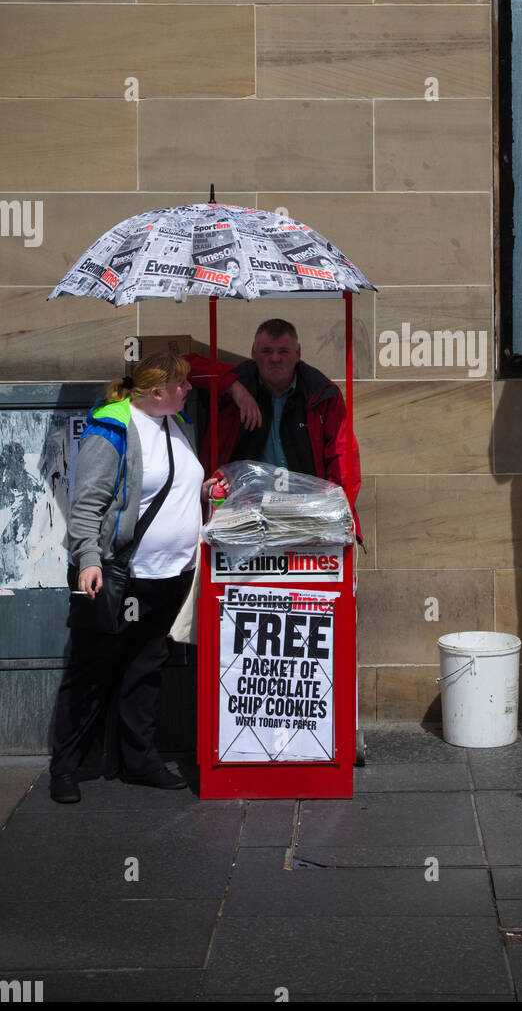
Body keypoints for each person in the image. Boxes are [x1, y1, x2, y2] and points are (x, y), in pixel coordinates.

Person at [50, 352, 219, 804]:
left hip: (171, 575)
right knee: (92, 671)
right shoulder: (113, 429)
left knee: (146, 669)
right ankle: (67, 767)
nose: (189, 389)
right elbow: (86, 503)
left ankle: (138, 760)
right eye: (181, 384)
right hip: (123, 576)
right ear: (157, 390)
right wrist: (88, 559)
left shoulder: (176, 423)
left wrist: (205, 490)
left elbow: (175, 485)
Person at [185, 318, 361, 528]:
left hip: (306, 514)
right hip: (241, 514)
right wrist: (233, 387)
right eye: (267, 351)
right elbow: (181, 365)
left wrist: (338, 514)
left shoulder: (322, 393)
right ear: (253, 353)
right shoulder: (236, 384)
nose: (275, 358)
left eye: (283, 351)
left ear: (298, 354)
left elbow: (343, 457)